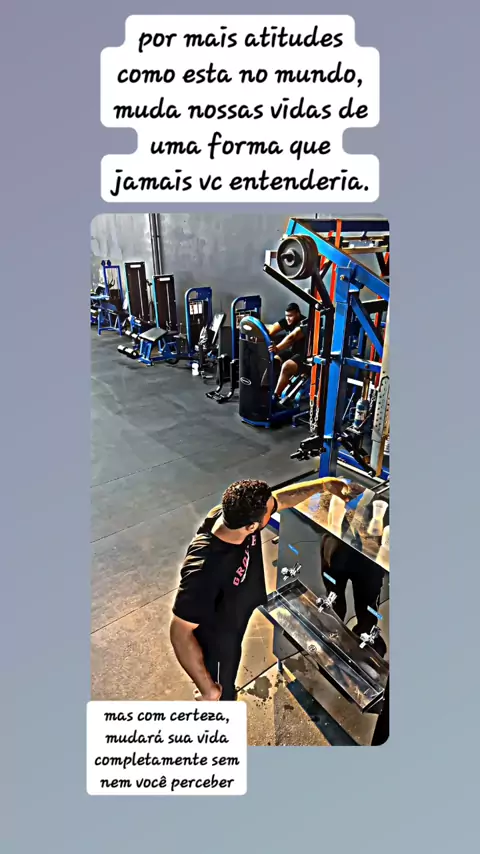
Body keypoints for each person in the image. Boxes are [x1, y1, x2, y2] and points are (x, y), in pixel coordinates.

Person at [170, 476, 349, 701]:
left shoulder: (234, 517)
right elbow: (179, 632)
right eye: (270, 511)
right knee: (223, 692)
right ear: (252, 527)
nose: (274, 508)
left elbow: (282, 499)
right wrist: (208, 689)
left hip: (234, 612)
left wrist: (323, 484)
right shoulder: (204, 570)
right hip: (217, 639)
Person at [320, 533, 387, 657]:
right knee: (335, 603)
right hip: (339, 541)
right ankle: (333, 641)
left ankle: (362, 643)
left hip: (369, 548)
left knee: (366, 611)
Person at [265, 303, 308, 400]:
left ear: (298, 314)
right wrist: (256, 332)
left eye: (290, 316)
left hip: (304, 354)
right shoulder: (288, 320)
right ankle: (265, 391)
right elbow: (271, 330)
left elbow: (292, 338)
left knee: (287, 366)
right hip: (292, 352)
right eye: (286, 316)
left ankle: (275, 397)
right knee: (273, 361)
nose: (288, 318)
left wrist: (277, 348)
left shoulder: (304, 322)